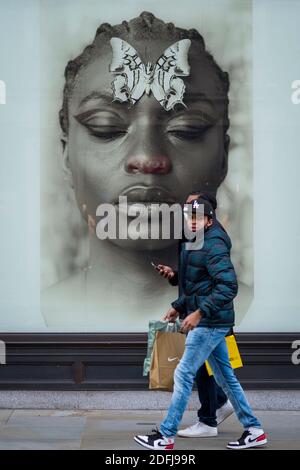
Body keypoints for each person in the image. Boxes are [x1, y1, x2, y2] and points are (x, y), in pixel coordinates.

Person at [42, 11, 251, 329]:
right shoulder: (33, 315)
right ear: (66, 155)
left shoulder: (265, 314)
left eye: (187, 128)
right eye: (106, 127)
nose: (148, 158)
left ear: (223, 156)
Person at [134, 195, 267, 450]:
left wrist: (199, 313)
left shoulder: (214, 243)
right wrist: (179, 305)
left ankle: (166, 435)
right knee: (226, 379)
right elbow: (198, 283)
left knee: (183, 374)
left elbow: (228, 286)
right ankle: (254, 429)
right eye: (189, 216)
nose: (191, 222)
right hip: (209, 319)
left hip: (209, 322)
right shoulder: (198, 240)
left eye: (197, 217)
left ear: (208, 220)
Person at [156, 191, 233, 437]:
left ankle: (204, 420)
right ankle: (226, 412)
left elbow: (222, 284)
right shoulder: (196, 234)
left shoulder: (213, 238)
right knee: (215, 371)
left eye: (192, 206)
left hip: (209, 317)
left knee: (194, 371)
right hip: (200, 313)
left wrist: (197, 311)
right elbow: (195, 276)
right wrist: (175, 279)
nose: (187, 210)